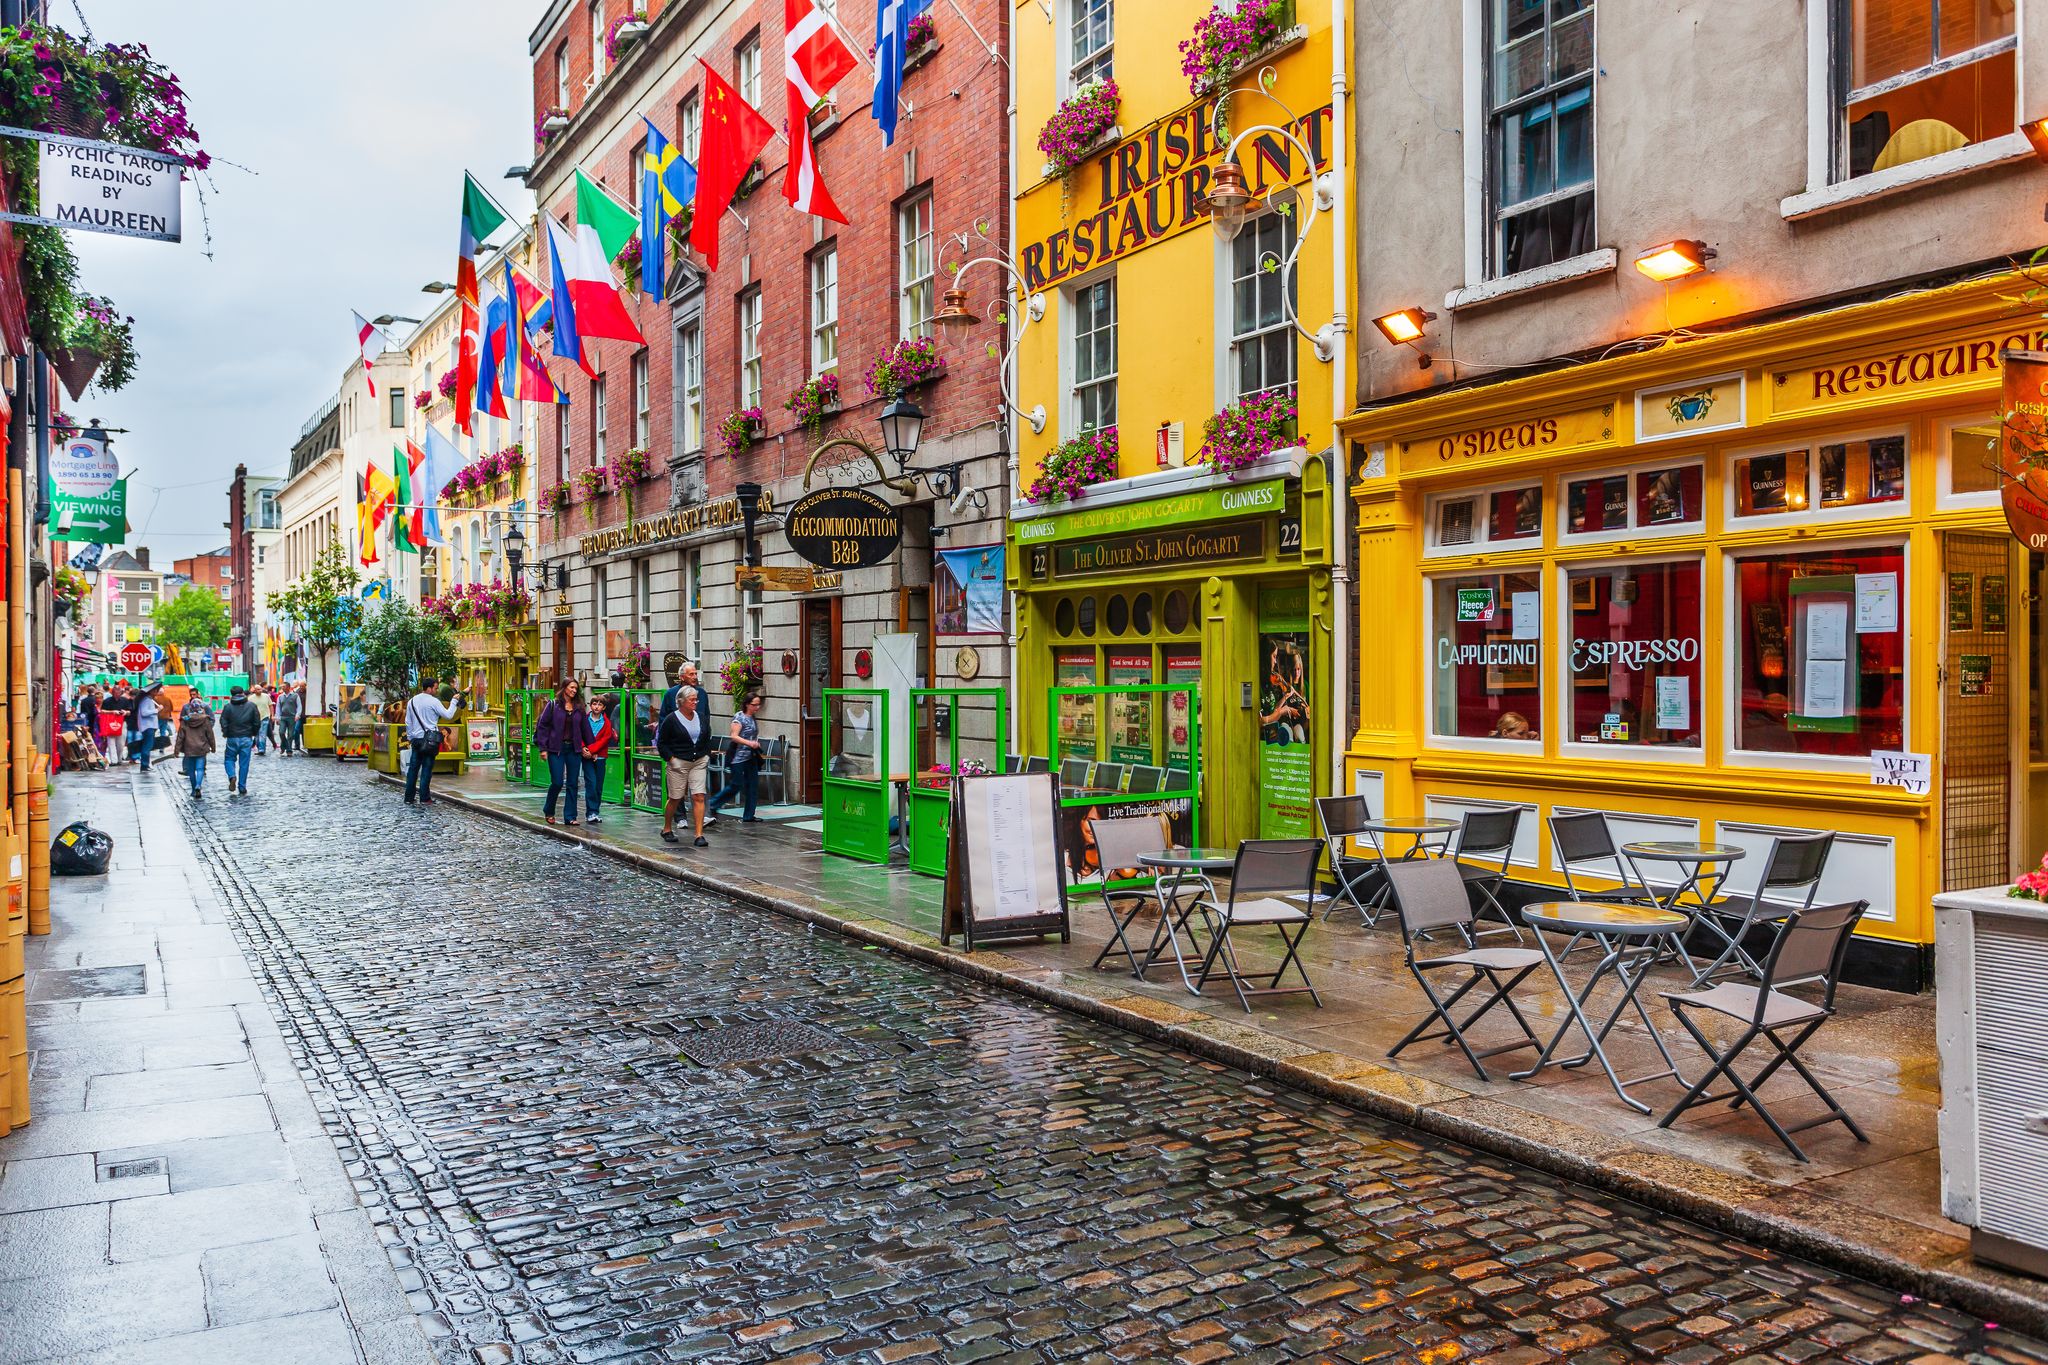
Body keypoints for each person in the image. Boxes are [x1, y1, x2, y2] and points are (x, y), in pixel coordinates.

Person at [657, 684, 713, 847]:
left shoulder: (701, 717)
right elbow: (662, 743)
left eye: (696, 699)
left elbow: (707, 736)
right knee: (675, 798)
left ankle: (699, 834)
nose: (695, 702)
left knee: (698, 796)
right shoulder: (671, 719)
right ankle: (667, 828)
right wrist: (671, 758)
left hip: (698, 761)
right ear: (681, 701)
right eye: (692, 699)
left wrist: (706, 754)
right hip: (678, 762)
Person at [704, 691, 765, 825]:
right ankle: (712, 804)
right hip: (738, 757)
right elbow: (734, 736)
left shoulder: (753, 718)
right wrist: (750, 743)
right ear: (747, 704)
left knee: (752, 786)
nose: (757, 707)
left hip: (751, 757)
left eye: (758, 705)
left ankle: (749, 815)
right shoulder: (739, 717)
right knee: (736, 785)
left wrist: (755, 743)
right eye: (755, 705)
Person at [534, 679, 587, 825]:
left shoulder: (579, 707)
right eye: (571, 687)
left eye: (576, 688)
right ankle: (549, 810)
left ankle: (570, 817)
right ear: (564, 688)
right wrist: (543, 748)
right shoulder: (553, 705)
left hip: (573, 749)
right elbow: (542, 726)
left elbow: (585, 728)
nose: (574, 691)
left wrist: (590, 747)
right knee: (557, 782)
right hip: (556, 748)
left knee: (572, 783)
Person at [404, 676, 457, 805]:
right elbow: (448, 715)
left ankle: (409, 798)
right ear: (429, 688)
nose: (436, 690)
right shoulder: (434, 702)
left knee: (413, 770)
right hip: (430, 740)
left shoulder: (412, 701)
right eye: (435, 688)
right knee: (427, 769)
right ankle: (424, 798)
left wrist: (411, 738)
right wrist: (454, 702)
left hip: (416, 740)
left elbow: (408, 722)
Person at [582, 694, 618, 824]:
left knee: (598, 785)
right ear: (590, 705)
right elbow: (580, 735)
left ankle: (595, 811)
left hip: (600, 757)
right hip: (586, 757)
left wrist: (592, 751)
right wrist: (585, 750)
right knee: (590, 783)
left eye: (599, 705)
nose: (597, 707)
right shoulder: (584, 720)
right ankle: (590, 812)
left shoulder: (607, 722)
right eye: (594, 704)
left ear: (603, 707)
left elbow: (605, 739)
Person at [218, 685, 261, 794]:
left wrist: (226, 732)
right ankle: (242, 786)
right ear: (242, 693)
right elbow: (257, 722)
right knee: (244, 763)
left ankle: (232, 776)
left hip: (232, 737)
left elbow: (223, 721)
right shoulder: (251, 706)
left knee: (229, 759)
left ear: (231, 694)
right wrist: (254, 733)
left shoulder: (228, 707)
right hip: (246, 737)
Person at [172, 694, 216, 800]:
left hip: (188, 747)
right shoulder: (205, 720)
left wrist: (177, 750)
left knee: (191, 770)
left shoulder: (185, 720)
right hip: (202, 747)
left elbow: (180, 737)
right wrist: (213, 747)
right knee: (200, 768)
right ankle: (198, 786)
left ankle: (193, 789)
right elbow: (210, 735)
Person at [131, 683, 162, 772]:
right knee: (147, 746)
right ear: (152, 691)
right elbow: (144, 713)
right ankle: (144, 765)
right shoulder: (147, 700)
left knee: (148, 746)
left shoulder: (149, 700)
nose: (157, 692)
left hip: (149, 726)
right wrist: (157, 710)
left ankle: (145, 765)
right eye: (155, 690)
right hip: (148, 726)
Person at [276, 683, 302, 756]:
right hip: (283, 717)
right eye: (282, 687)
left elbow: (299, 706)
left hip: (292, 717)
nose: (282, 688)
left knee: (290, 735)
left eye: (284, 686)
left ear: (288, 687)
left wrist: (297, 715)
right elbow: (278, 707)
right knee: (281, 732)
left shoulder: (295, 696)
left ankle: (289, 750)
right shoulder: (280, 697)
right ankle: (284, 746)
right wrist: (277, 717)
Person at [78, 686, 102, 759]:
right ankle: (95, 753)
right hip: (94, 721)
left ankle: (88, 752)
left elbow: (82, 712)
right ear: (94, 691)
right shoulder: (95, 700)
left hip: (86, 720)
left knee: (86, 737)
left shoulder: (84, 700)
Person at [251, 685, 272, 755]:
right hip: (254, 719)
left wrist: (272, 715)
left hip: (265, 717)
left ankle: (261, 749)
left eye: (260, 689)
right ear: (255, 690)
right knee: (256, 735)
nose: (260, 691)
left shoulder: (266, 696)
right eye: (258, 689)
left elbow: (270, 705)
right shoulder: (251, 698)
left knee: (263, 734)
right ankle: (259, 747)